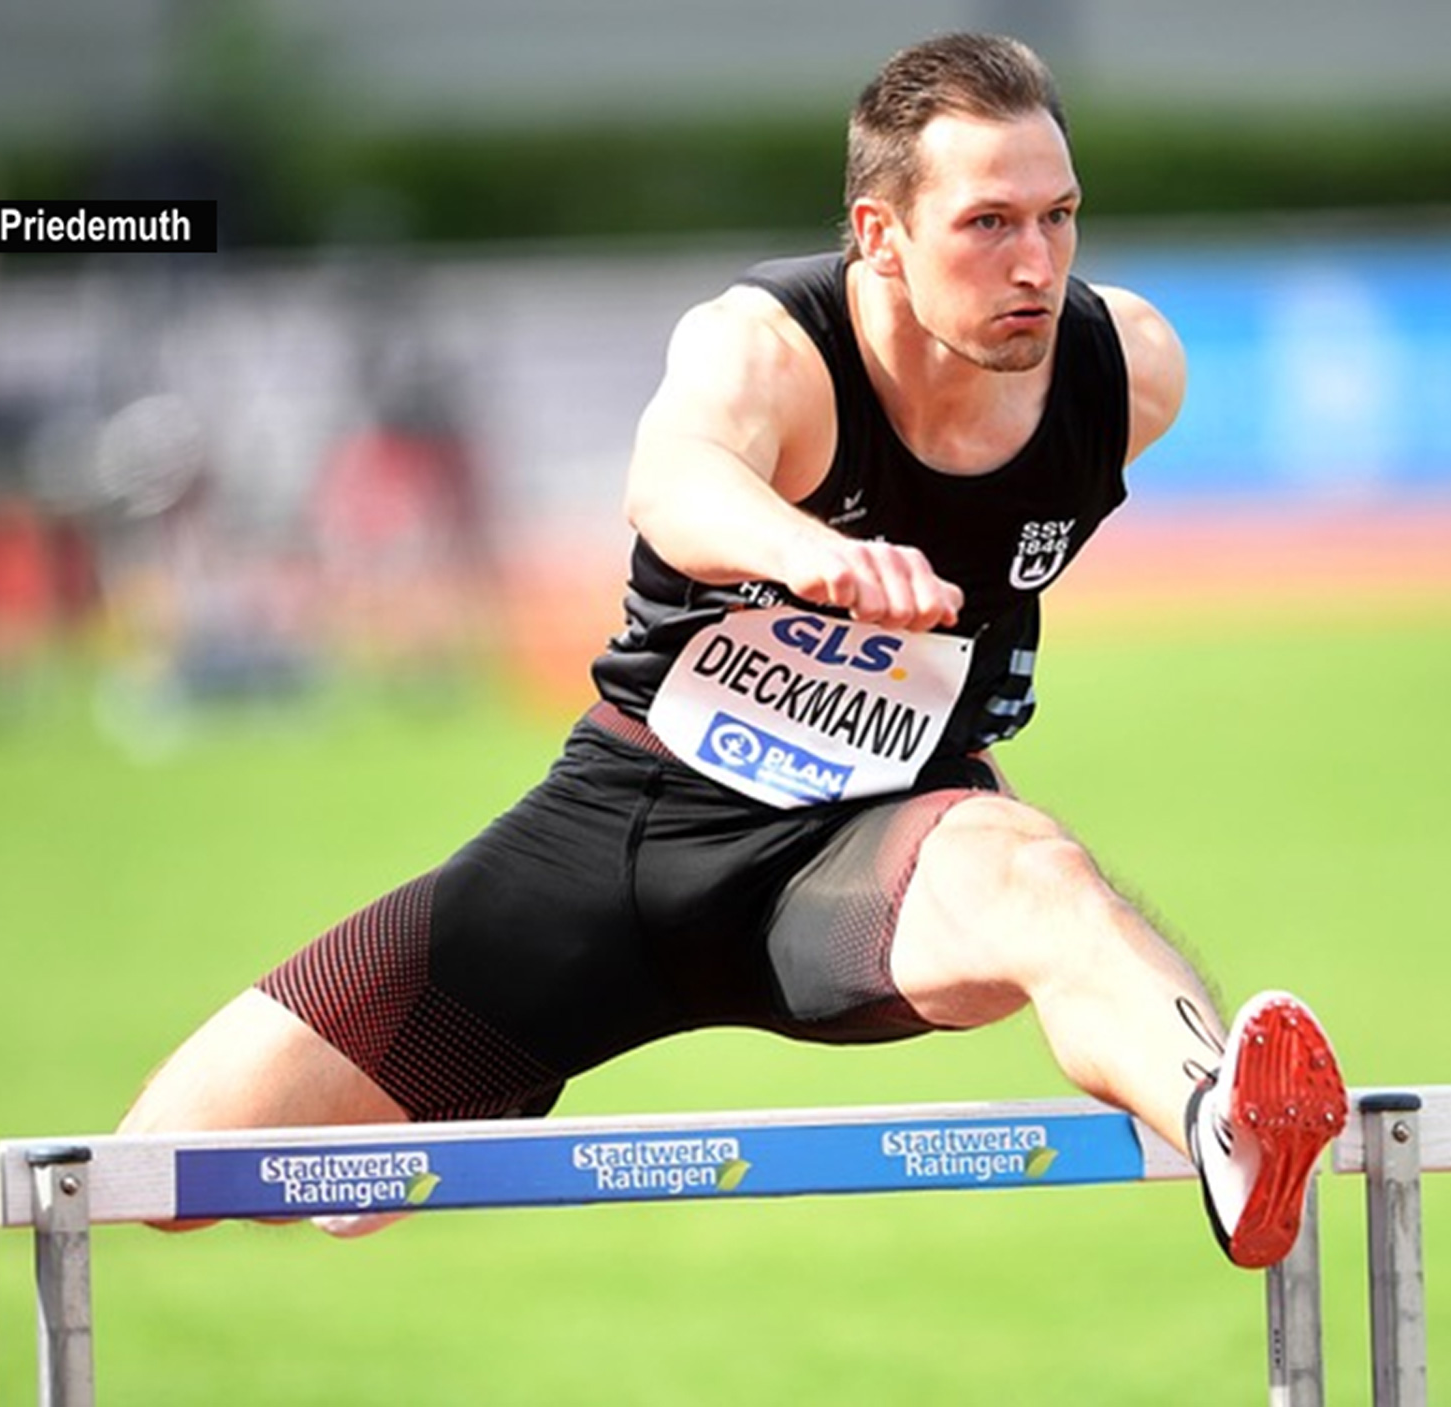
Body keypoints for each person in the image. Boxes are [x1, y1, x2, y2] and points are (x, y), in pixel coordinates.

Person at [120, 32, 1347, 1270]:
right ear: (879, 236)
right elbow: (673, 479)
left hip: (874, 847)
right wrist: (809, 552)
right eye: (987, 224)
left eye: (1059, 216)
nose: (1035, 263)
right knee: (163, 1166)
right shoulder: (767, 346)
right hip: (621, 839)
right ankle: (458, 1100)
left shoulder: (1124, 374)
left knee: (1038, 880)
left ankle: (1230, 1127)